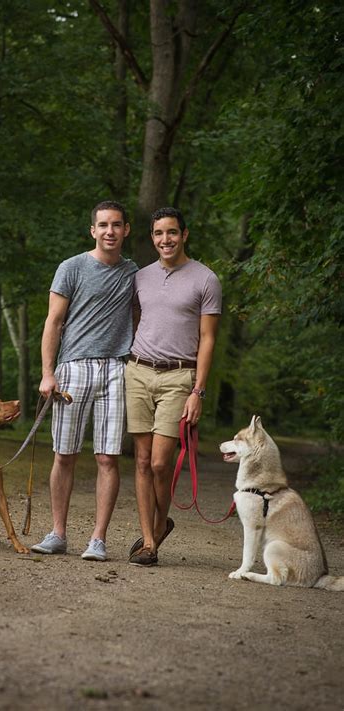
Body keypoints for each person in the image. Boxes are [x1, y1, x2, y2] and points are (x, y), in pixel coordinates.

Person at [31, 201, 138, 562]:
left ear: (126, 230)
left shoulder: (133, 273)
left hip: (115, 370)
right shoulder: (71, 268)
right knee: (64, 455)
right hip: (73, 369)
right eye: (103, 225)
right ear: (93, 230)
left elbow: (140, 319)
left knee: (108, 458)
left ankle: (98, 539)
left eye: (116, 225)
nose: (110, 231)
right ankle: (58, 533)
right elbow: (53, 322)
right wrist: (48, 373)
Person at [126, 206, 222, 566]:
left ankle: (158, 523)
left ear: (184, 234)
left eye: (171, 233)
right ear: (152, 238)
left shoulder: (206, 279)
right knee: (142, 460)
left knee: (161, 464)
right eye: (158, 234)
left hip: (179, 377)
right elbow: (138, 316)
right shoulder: (141, 277)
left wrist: (198, 390)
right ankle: (150, 540)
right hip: (137, 372)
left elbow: (208, 338)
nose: (164, 240)